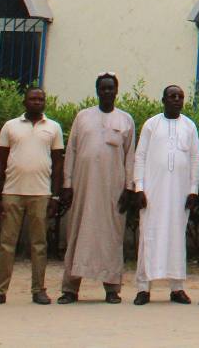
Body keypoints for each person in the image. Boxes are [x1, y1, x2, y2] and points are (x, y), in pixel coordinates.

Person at [58, 72, 135, 304]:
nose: (107, 92)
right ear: (97, 91)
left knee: (111, 236)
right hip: (83, 187)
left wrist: (129, 187)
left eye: (111, 88)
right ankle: (70, 289)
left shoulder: (125, 120)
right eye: (103, 88)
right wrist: (67, 184)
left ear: (117, 91)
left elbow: (130, 156)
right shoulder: (83, 117)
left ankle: (112, 288)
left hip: (113, 189)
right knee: (77, 233)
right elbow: (70, 151)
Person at [0, 87, 64, 307]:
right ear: (24, 102)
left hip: (41, 194)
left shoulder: (53, 128)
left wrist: (55, 196)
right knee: (6, 244)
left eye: (41, 99)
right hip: (12, 192)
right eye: (33, 99)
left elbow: (58, 164)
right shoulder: (10, 126)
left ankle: (38, 290)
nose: (37, 102)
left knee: (39, 244)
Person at [133, 85, 199, 305]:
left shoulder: (189, 126)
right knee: (148, 237)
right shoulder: (152, 125)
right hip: (153, 193)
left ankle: (177, 288)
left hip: (179, 194)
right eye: (172, 96)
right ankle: (144, 288)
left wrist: (193, 190)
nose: (176, 100)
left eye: (180, 97)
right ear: (163, 99)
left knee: (176, 237)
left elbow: (195, 159)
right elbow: (140, 156)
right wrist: (139, 188)